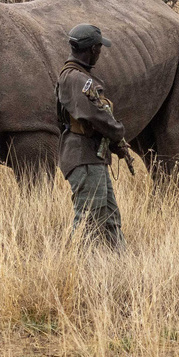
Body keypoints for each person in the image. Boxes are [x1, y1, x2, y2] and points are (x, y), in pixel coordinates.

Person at [56, 23, 134, 250]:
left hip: (91, 157)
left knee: (109, 219)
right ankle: (73, 269)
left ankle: (122, 267)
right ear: (92, 49)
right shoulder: (77, 79)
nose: (100, 53)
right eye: (99, 48)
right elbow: (96, 115)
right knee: (88, 219)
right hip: (84, 157)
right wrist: (118, 132)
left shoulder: (76, 76)